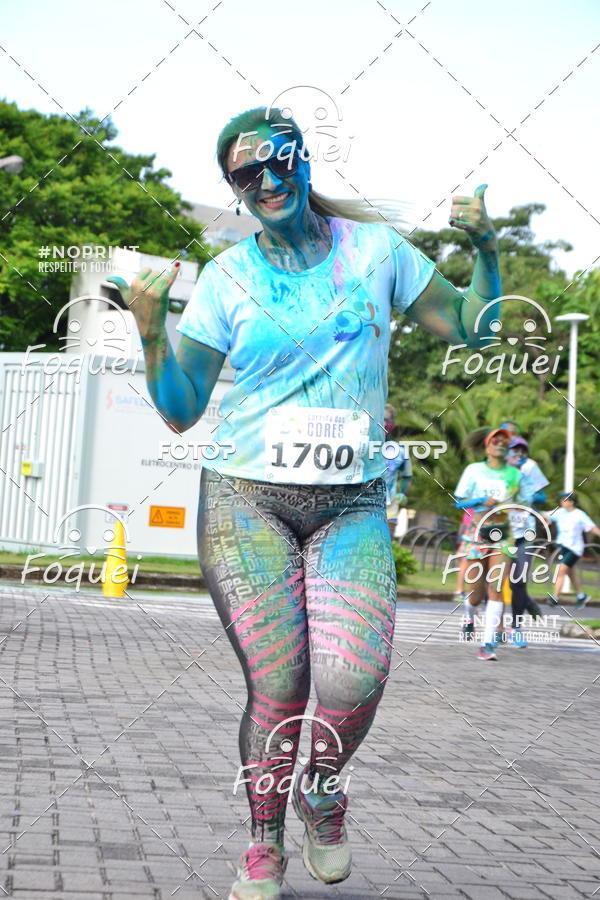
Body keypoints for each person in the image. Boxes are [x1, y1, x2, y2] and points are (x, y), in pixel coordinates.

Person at [109, 106, 502, 899]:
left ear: (303, 162)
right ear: (236, 190)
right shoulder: (227, 278)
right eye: (245, 176)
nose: (266, 182)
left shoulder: (376, 254)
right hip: (246, 501)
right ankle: (263, 844)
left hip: (349, 504)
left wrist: (484, 247)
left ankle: (322, 790)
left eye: (276, 163)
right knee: (281, 688)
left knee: (353, 683)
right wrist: (153, 330)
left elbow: (476, 328)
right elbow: (183, 407)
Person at [454, 428, 524, 660]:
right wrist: (481, 500)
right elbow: (458, 501)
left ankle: (487, 645)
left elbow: (526, 500)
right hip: (477, 532)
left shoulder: (515, 474)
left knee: (496, 588)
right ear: (487, 446)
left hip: (503, 534)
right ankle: (469, 614)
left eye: (505, 442)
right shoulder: (474, 470)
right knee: (475, 593)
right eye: (496, 441)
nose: (501, 444)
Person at [505, 435, 550, 626]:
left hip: (525, 532)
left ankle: (516, 626)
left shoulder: (530, 467)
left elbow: (542, 496)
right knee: (494, 581)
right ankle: (528, 602)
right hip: (501, 532)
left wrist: (526, 494)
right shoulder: (496, 471)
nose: (519, 453)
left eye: (522, 450)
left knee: (519, 580)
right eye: (515, 449)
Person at [542, 493, 600, 608]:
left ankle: (555, 598)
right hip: (563, 547)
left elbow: (592, 527)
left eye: (564, 500)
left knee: (561, 571)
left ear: (571, 502)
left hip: (574, 549)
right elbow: (544, 514)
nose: (561, 502)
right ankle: (581, 596)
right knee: (570, 574)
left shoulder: (580, 515)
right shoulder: (559, 512)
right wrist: (545, 519)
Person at [382, 403, 412, 535]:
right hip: (361, 509)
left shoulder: (399, 451)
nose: (383, 423)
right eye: (378, 418)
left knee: (384, 549)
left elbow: (407, 476)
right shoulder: (360, 446)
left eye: (387, 420)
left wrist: (403, 494)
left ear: (392, 424)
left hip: (389, 510)